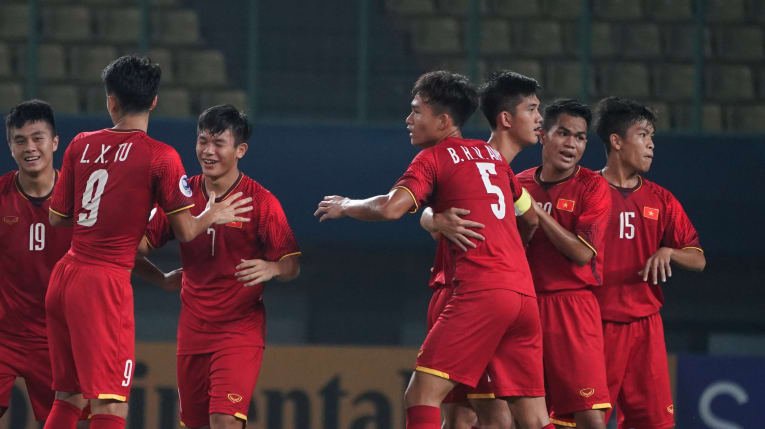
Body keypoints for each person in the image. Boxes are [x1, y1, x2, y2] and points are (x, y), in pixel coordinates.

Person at [315, 70, 553, 429]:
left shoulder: (434, 158)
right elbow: (530, 218)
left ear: (443, 121)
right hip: (522, 296)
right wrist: (502, 243)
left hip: (481, 292)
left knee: (421, 396)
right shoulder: (491, 157)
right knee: (533, 418)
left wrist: (346, 205)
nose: (408, 120)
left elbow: (391, 208)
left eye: (416, 111)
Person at [45, 55, 252, 429]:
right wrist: (213, 214)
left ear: (111, 101)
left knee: (69, 396)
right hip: (103, 287)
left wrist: (106, 220)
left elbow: (57, 217)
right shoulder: (160, 157)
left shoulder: (81, 144)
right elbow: (186, 230)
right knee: (110, 406)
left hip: (65, 276)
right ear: (154, 101)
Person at [137, 104, 301, 429]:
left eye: (218, 143)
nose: (208, 151)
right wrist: (162, 279)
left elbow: (292, 263)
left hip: (240, 330)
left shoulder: (261, 202)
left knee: (224, 420)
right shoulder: (180, 196)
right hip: (192, 330)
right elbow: (133, 248)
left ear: (240, 150)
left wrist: (273, 269)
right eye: (202, 141)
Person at [420, 70, 544, 429]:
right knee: (482, 416)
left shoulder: (498, 168)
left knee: (476, 416)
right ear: (505, 118)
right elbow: (423, 207)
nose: (540, 119)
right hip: (465, 291)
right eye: (532, 109)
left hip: (486, 293)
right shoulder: (481, 159)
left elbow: (529, 219)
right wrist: (432, 219)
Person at [592, 97, 705, 429]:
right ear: (616, 141)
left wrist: (671, 252)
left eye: (652, 136)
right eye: (643, 135)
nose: (652, 145)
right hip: (595, 322)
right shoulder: (585, 190)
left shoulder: (662, 199)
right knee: (584, 420)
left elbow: (698, 259)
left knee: (654, 423)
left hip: (646, 325)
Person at [516, 99, 612, 429]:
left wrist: (537, 213)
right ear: (542, 134)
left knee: (589, 416)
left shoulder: (593, 186)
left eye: (580, 137)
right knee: (522, 415)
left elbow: (583, 253)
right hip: (523, 305)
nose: (572, 144)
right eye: (563, 133)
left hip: (572, 307)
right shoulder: (517, 184)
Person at [0, 100, 72, 423]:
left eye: (37, 138)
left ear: (54, 142)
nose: (29, 147)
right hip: (3, 335)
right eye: (20, 140)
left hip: (56, 339)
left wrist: (160, 277)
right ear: (10, 147)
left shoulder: (79, 200)